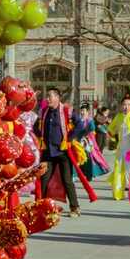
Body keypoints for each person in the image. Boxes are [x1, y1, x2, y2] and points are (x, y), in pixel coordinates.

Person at [35, 88, 97, 217]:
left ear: (57, 97)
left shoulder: (67, 111)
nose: (47, 99)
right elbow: (36, 127)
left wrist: (70, 138)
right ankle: (43, 208)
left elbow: (80, 124)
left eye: (50, 96)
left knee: (67, 180)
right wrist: (41, 138)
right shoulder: (43, 112)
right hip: (48, 152)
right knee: (43, 180)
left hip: (62, 152)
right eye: (47, 96)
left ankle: (75, 207)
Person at [76, 103, 110, 181]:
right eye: (81, 110)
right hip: (80, 141)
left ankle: (90, 174)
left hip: (88, 142)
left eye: (84, 111)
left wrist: (85, 135)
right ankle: (81, 173)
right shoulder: (79, 120)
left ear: (87, 112)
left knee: (90, 157)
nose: (82, 112)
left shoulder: (90, 120)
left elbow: (92, 129)